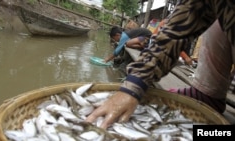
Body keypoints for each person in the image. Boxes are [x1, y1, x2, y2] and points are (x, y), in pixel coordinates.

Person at [86, 0, 235, 129]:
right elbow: (176, 29)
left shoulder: (127, 35)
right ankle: (208, 93)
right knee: (216, 23)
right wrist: (134, 85)